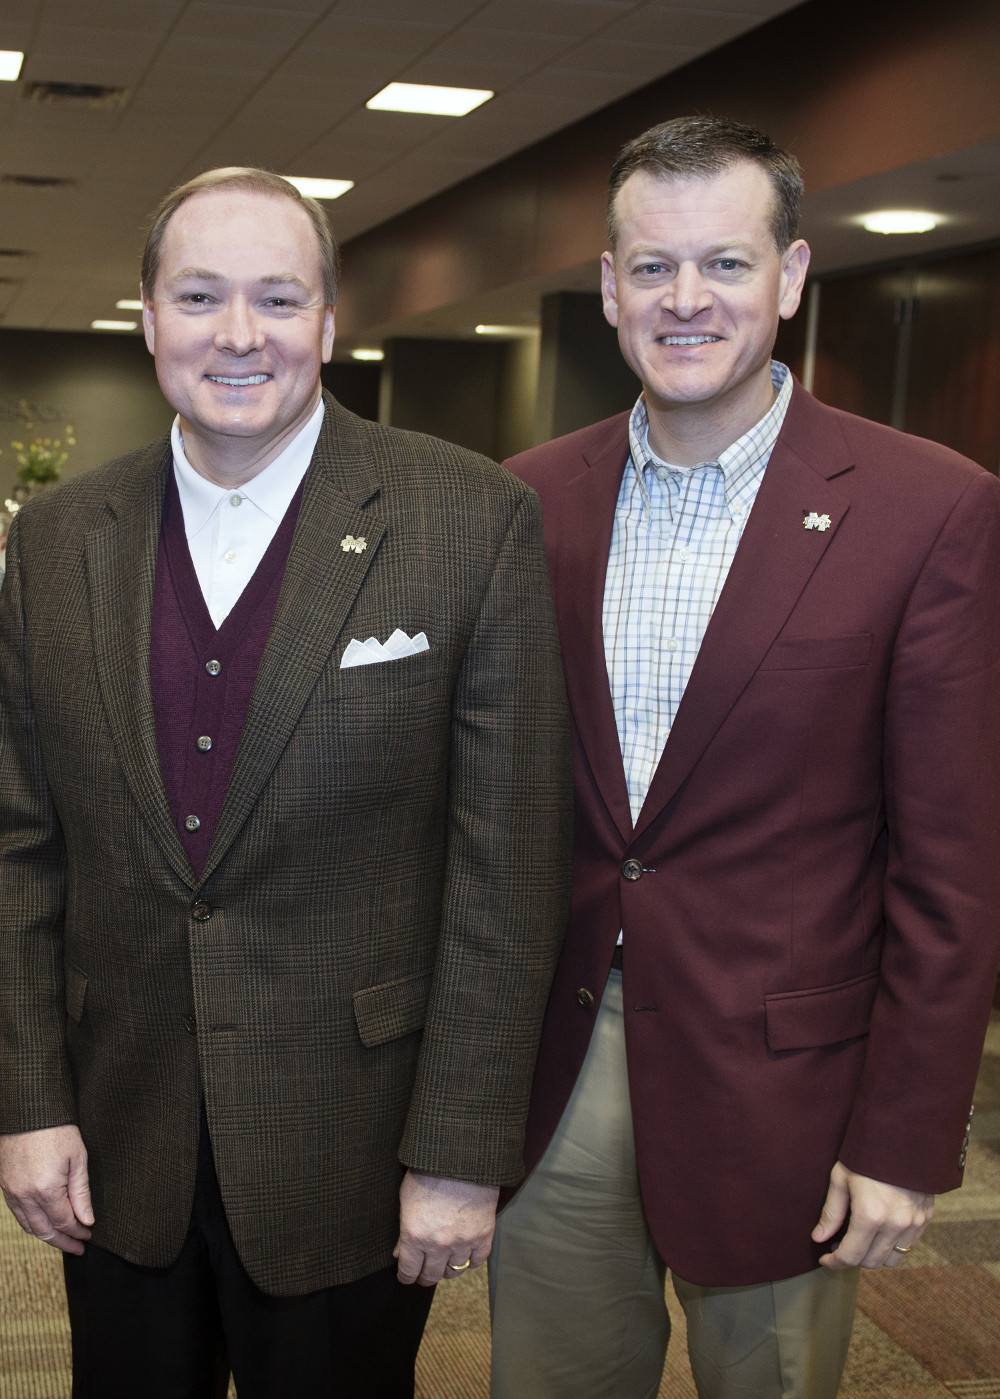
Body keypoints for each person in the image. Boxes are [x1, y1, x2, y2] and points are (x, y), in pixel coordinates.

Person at [0, 167, 572, 1399]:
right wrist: (27, 1102)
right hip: (117, 1136)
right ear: (147, 316)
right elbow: (18, 846)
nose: (238, 334)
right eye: (200, 295)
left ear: (328, 320)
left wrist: (463, 1152)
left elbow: (506, 871)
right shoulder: (55, 543)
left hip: (352, 1143)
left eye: (277, 297)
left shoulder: (470, 520)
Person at [488, 115, 1000, 1399]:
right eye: (651, 267)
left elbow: (953, 867)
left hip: (790, 1087)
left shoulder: (927, 508)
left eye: (724, 263)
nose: (684, 299)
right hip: (554, 1063)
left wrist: (906, 1136)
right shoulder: (523, 500)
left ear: (790, 275)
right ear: (608, 287)